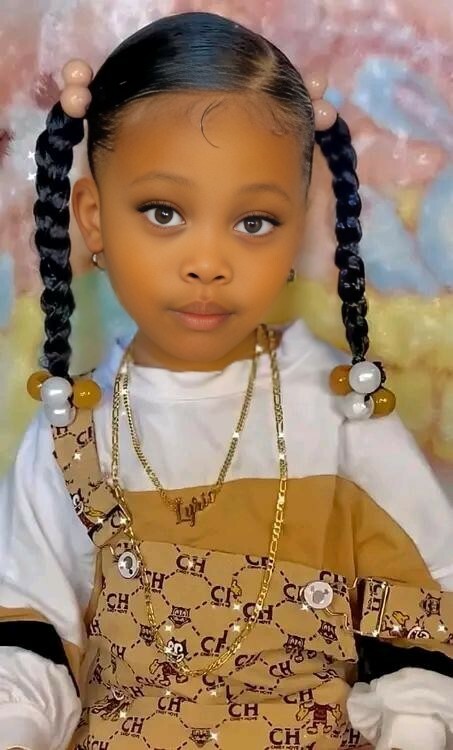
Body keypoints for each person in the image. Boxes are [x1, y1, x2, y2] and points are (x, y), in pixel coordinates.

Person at [1, 10, 453, 750]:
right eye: (164, 212)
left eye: (253, 222)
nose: (208, 263)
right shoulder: (68, 437)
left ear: (298, 225)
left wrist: (415, 726)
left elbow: (423, 607)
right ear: (93, 219)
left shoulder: (341, 414)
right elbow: (29, 635)